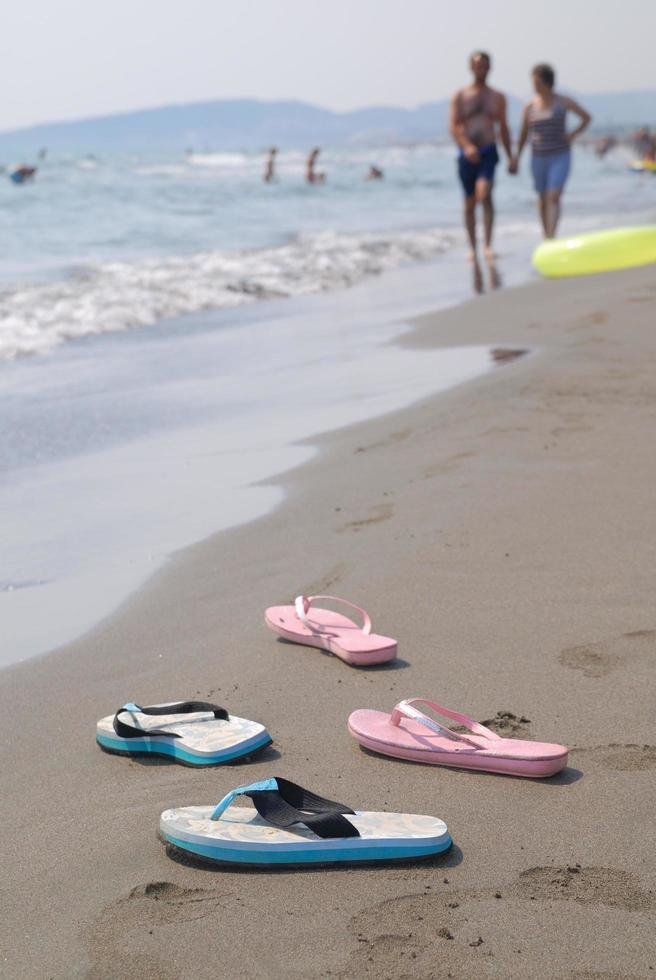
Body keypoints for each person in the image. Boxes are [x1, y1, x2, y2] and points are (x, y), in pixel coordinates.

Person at [449, 51, 514, 261]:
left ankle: (487, 245)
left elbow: (503, 128)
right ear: (471, 67)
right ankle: (472, 247)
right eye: (478, 65)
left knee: (484, 194)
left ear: (490, 67)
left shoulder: (497, 97)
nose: (482, 69)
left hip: (488, 150)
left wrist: (511, 156)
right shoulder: (460, 96)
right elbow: (454, 126)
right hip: (466, 153)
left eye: (485, 65)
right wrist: (467, 146)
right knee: (469, 201)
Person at [514, 64, 591, 239]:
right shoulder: (529, 106)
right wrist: (516, 158)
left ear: (547, 81)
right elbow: (523, 133)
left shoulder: (563, 101)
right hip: (538, 157)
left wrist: (572, 135)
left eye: (537, 81)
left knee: (554, 195)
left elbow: (586, 118)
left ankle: (552, 234)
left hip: (560, 155)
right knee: (542, 197)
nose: (534, 85)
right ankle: (545, 234)